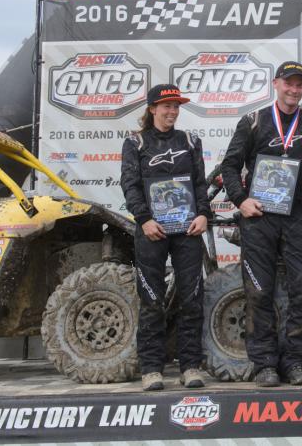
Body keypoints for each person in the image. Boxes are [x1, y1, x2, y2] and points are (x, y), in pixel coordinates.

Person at [219, 61, 302, 387]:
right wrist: (241, 200)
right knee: (259, 293)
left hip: (298, 219)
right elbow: (230, 165)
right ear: (276, 83)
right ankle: (265, 365)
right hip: (260, 218)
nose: (294, 90)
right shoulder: (253, 122)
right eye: (288, 83)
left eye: (299, 85)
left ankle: (295, 363)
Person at [120, 84, 211, 391]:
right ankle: (151, 369)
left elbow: (200, 184)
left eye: (176, 106)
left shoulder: (189, 140)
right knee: (152, 300)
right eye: (166, 106)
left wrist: (203, 215)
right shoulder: (135, 142)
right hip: (152, 232)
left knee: (192, 298)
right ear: (152, 109)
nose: (172, 111)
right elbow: (130, 185)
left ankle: (190, 367)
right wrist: (144, 219)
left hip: (187, 230)